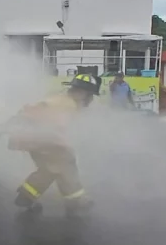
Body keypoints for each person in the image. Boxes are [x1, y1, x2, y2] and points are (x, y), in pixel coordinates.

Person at [9, 73, 100, 216]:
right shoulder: (67, 104)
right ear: (82, 93)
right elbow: (53, 125)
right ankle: (74, 201)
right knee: (61, 165)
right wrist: (63, 143)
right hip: (41, 139)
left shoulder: (62, 99)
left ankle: (27, 197)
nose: (90, 100)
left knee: (54, 168)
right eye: (90, 95)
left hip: (35, 138)